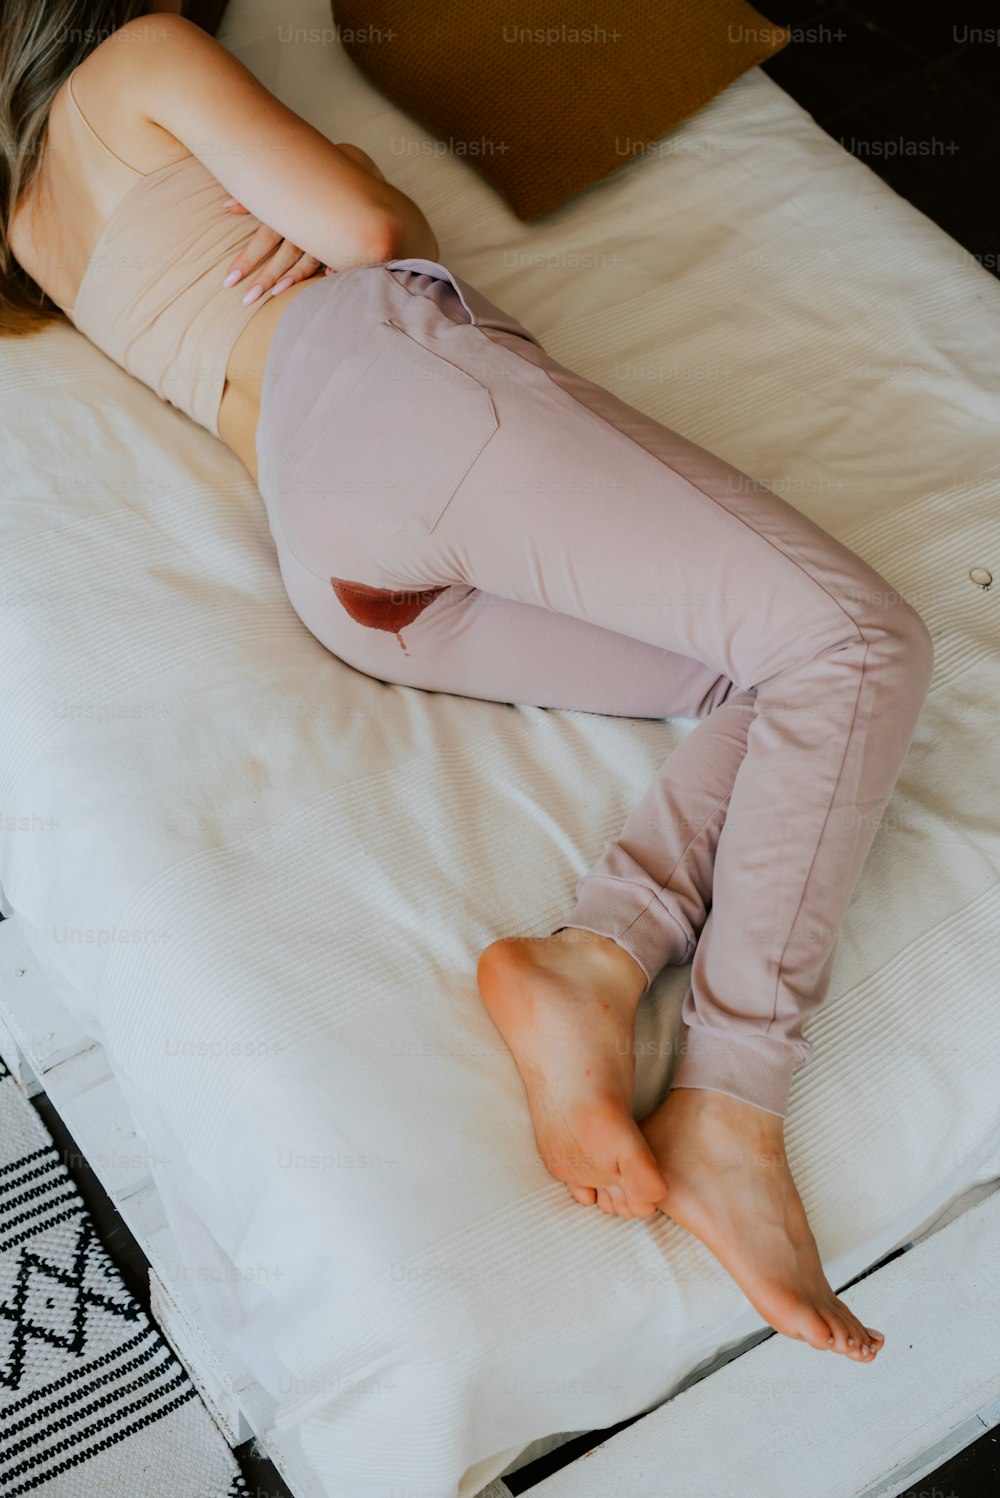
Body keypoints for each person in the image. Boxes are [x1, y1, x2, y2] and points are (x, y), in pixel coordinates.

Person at [1, 2, 918, 1364]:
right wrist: (365, 196)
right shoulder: (138, 58)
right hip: (379, 384)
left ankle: (592, 962)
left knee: (764, 677)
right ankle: (733, 1102)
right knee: (859, 642)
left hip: (341, 569)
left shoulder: (25, 230)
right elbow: (374, 233)